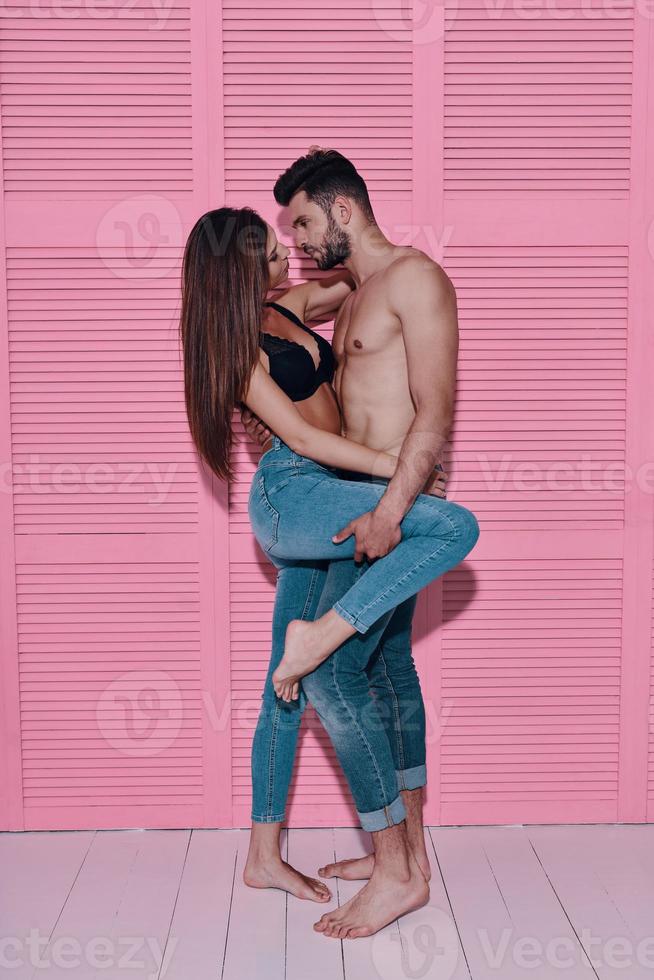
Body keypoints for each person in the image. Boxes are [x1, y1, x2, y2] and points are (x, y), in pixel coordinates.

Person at [179, 178, 480, 938]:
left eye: (296, 231)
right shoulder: (239, 347)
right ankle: (393, 859)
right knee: (447, 528)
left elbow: (359, 272)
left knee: (292, 679)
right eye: (269, 246)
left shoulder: (292, 307)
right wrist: (395, 466)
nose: (289, 249)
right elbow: (307, 440)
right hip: (297, 494)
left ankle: (266, 853)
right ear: (234, 272)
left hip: (332, 495)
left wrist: (346, 225)